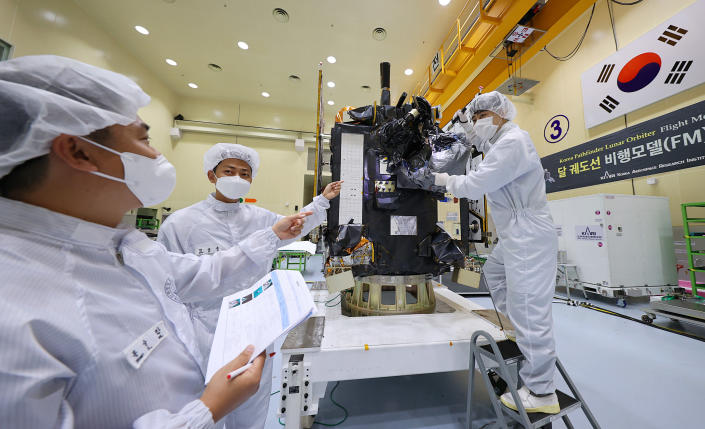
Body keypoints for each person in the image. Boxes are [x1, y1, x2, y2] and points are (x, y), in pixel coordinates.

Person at [0, 55, 310, 428]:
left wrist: (275, 234)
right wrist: (207, 410)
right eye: (143, 138)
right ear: (78, 151)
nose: (157, 154)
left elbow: (204, 272)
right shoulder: (15, 308)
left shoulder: (126, 247)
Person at [158, 142, 342, 429]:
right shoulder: (180, 224)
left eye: (244, 173)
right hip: (206, 329)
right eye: (229, 171)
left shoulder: (260, 219)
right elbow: (168, 286)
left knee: (252, 408)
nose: (237, 178)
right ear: (211, 175)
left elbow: (294, 225)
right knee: (209, 410)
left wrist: (321, 201)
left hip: (256, 327)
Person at [436, 92, 559, 414]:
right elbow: (484, 151)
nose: (478, 122)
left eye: (482, 116)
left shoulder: (514, 142)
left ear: (501, 113)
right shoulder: (501, 142)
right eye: (475, 117)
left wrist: (439, 179)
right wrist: (465, 131)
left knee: (530, 308)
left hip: (528, 234)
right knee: (493, 273)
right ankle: (515, 328)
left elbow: (474, 185)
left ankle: (541, 391)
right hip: (515, 234)